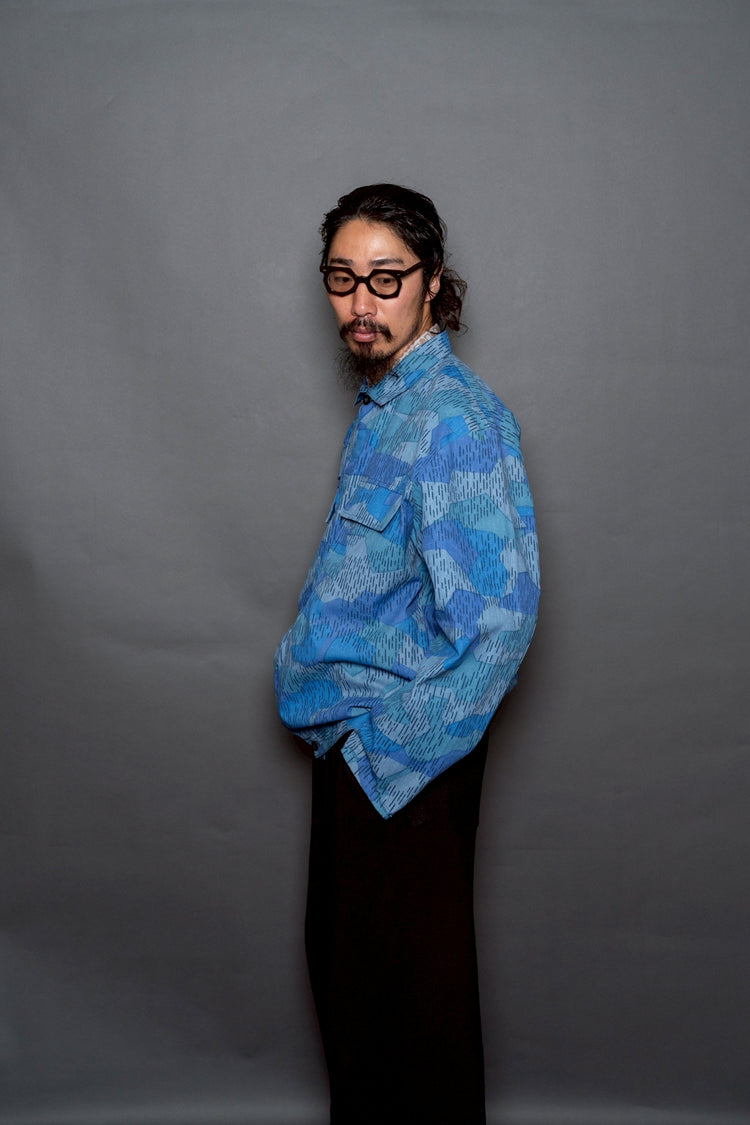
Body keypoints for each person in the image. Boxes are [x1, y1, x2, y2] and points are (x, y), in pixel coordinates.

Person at [274, 184, 540, 1125]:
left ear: (432, 283)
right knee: (361, 1013)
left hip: (403, 766)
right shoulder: (388, 405)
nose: (361, 302)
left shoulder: (455, 420)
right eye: (343, 278)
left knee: (414, 1028)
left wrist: (382, 755)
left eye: (386, 279)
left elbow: (500, 623)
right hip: (355, 757)